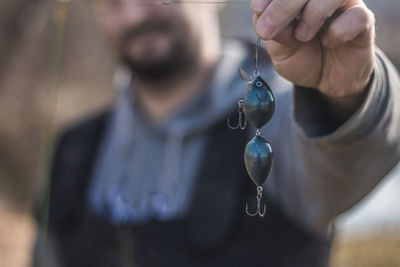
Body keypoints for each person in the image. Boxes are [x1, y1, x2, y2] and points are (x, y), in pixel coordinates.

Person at [33, 0, 400, 266]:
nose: (136, 13)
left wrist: (347, 91)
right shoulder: (73, 149)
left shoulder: (283, 121)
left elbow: (355, 155)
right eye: (112, 1)